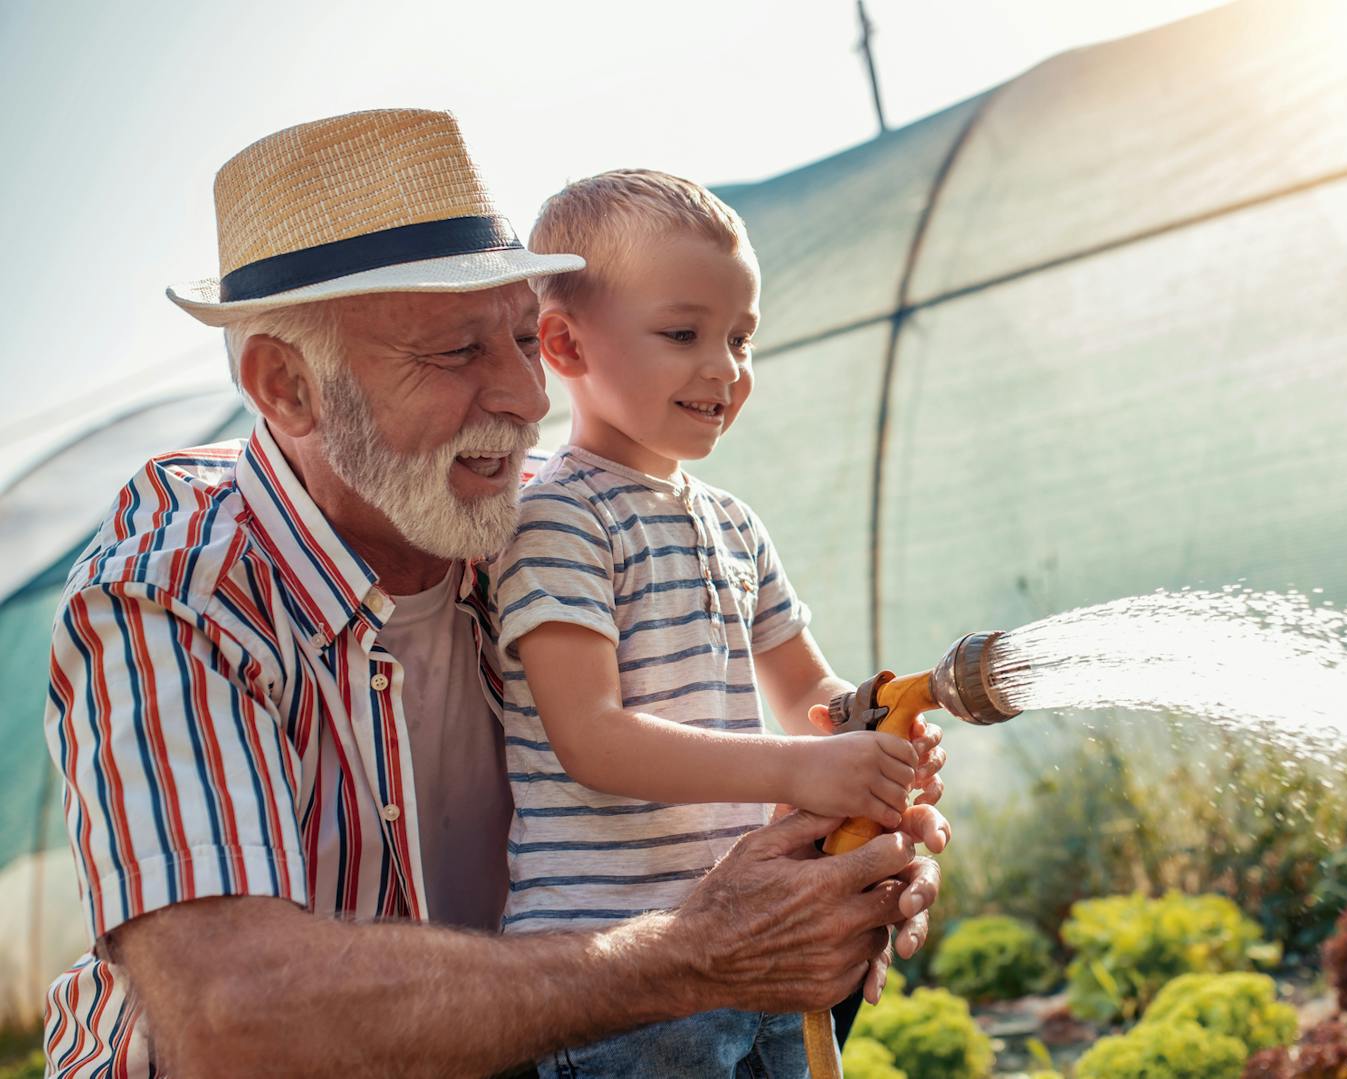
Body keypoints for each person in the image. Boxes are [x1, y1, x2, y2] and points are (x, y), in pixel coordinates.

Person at [40, 108, 950, 1078]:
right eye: (457, 351)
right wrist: (692, 951)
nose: (526, 395)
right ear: (289, 386)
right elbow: (241, 1019)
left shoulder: (532, 519)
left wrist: (853, 846)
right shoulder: (177, 594)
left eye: (522, 338)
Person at [488, 169, 903, 1077]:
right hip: (620, 981)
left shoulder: (735, 524)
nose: (725, 368)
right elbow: (592, 738)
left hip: (761, 944)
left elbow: (806, 696)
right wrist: (810, 766)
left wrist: (872, 727)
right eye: (683, 334)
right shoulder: (560, 518)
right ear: (564, 344)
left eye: (742, 338)